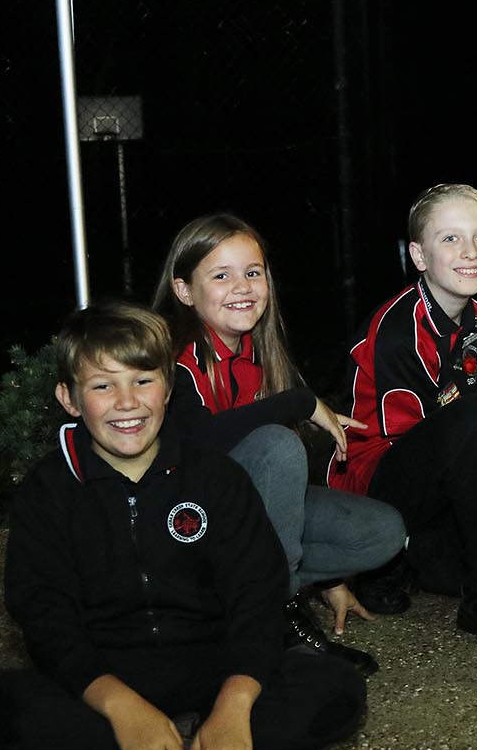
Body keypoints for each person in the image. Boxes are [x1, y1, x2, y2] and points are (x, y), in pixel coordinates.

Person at [0, 303, 367, 750]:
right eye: (102, 386)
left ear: (169, 388)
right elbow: (43, 615)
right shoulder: (49, 490)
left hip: (211, 665)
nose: (127, 403)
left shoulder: (216, 478)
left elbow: (257, 596)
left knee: (337, 688)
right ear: (68, 398)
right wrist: (122, 708)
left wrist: (234, 706)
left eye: (143, 380)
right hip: (106, 673)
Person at [152, 214, 406, 659]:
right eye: (221, 275)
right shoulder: (172, 359)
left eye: (253, 273)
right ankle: (274, 620)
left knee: (381, 532)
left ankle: (242, 597)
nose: (243, 286)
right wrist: (298, 403)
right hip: (185, 523)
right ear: (184, 291)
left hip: (242, 517)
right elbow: (201, 443)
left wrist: (330, 579)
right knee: (276, 444)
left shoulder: (257, 352)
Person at [328, 183, 477, 649]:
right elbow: (437, 448)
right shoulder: (397, 330)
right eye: (450, 239)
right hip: (374, 486)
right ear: (418, 255)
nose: (470, 252)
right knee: (473, 419)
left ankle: (412, 567)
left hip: (437, 486)